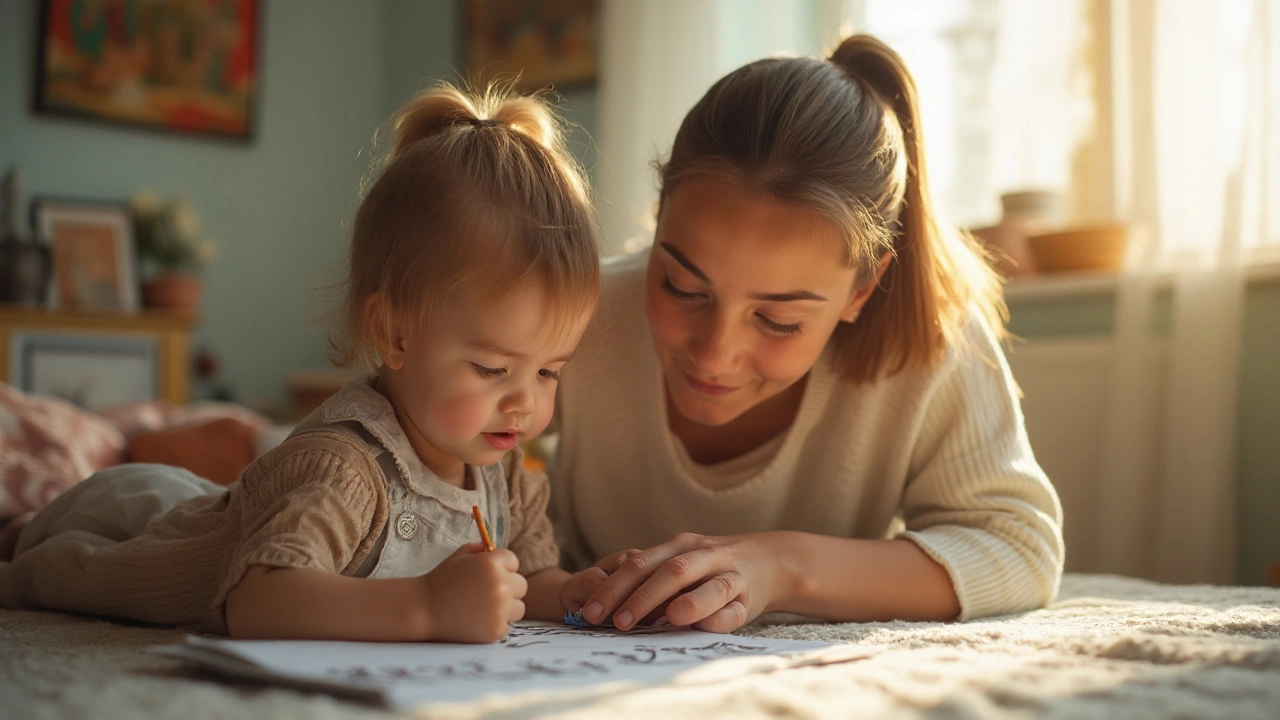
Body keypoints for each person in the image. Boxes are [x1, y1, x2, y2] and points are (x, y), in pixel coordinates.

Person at [0, 82, 600, 643]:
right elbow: (257, 600)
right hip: (147, 528)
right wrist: (425, 608)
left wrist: (582, 592)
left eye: (549, 371)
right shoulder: (345, 470)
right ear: (394, 335)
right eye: (493, 370)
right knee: (48, 564)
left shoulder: (505, 476)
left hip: (218, 504)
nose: (526, 401)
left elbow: (533, 579)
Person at [552, 34, 1064, 633]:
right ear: (659, 217)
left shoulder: (929, 343)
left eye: (778, 320)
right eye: (683, 288)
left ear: (861, 291)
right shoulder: (581, 309)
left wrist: (781, 566)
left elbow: (1020, 548)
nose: (715, 354)